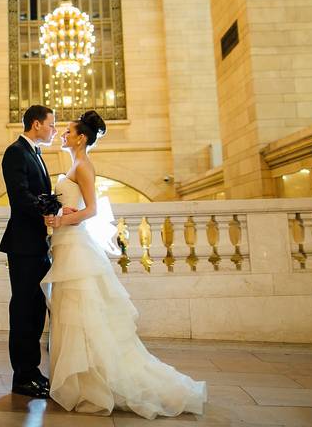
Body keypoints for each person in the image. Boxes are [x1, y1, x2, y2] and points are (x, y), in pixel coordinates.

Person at [42, 110, 207, 419]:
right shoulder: (74, 165)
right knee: (69, 312)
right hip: (66, 246)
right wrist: (60, 214)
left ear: (81, 137)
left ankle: (92, 384)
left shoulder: (84, 166)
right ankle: (80, 381)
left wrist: (62, 219)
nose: (63, 135)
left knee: (81, 312)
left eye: (68, 131)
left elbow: (90, 211)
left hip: (76, 249)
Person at [0, 104, 57, 399]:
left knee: (35, 310)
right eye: (51, 125)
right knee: (23, 310)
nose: (54, 130)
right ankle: (22, 376)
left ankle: (32, 372)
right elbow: (20, 196)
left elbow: (41, 196)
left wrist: (59, 209)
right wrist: (46, 215)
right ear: (36, 124)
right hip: (22, 244)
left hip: (36, 244)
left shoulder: (36, 153)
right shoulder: (16, 152)